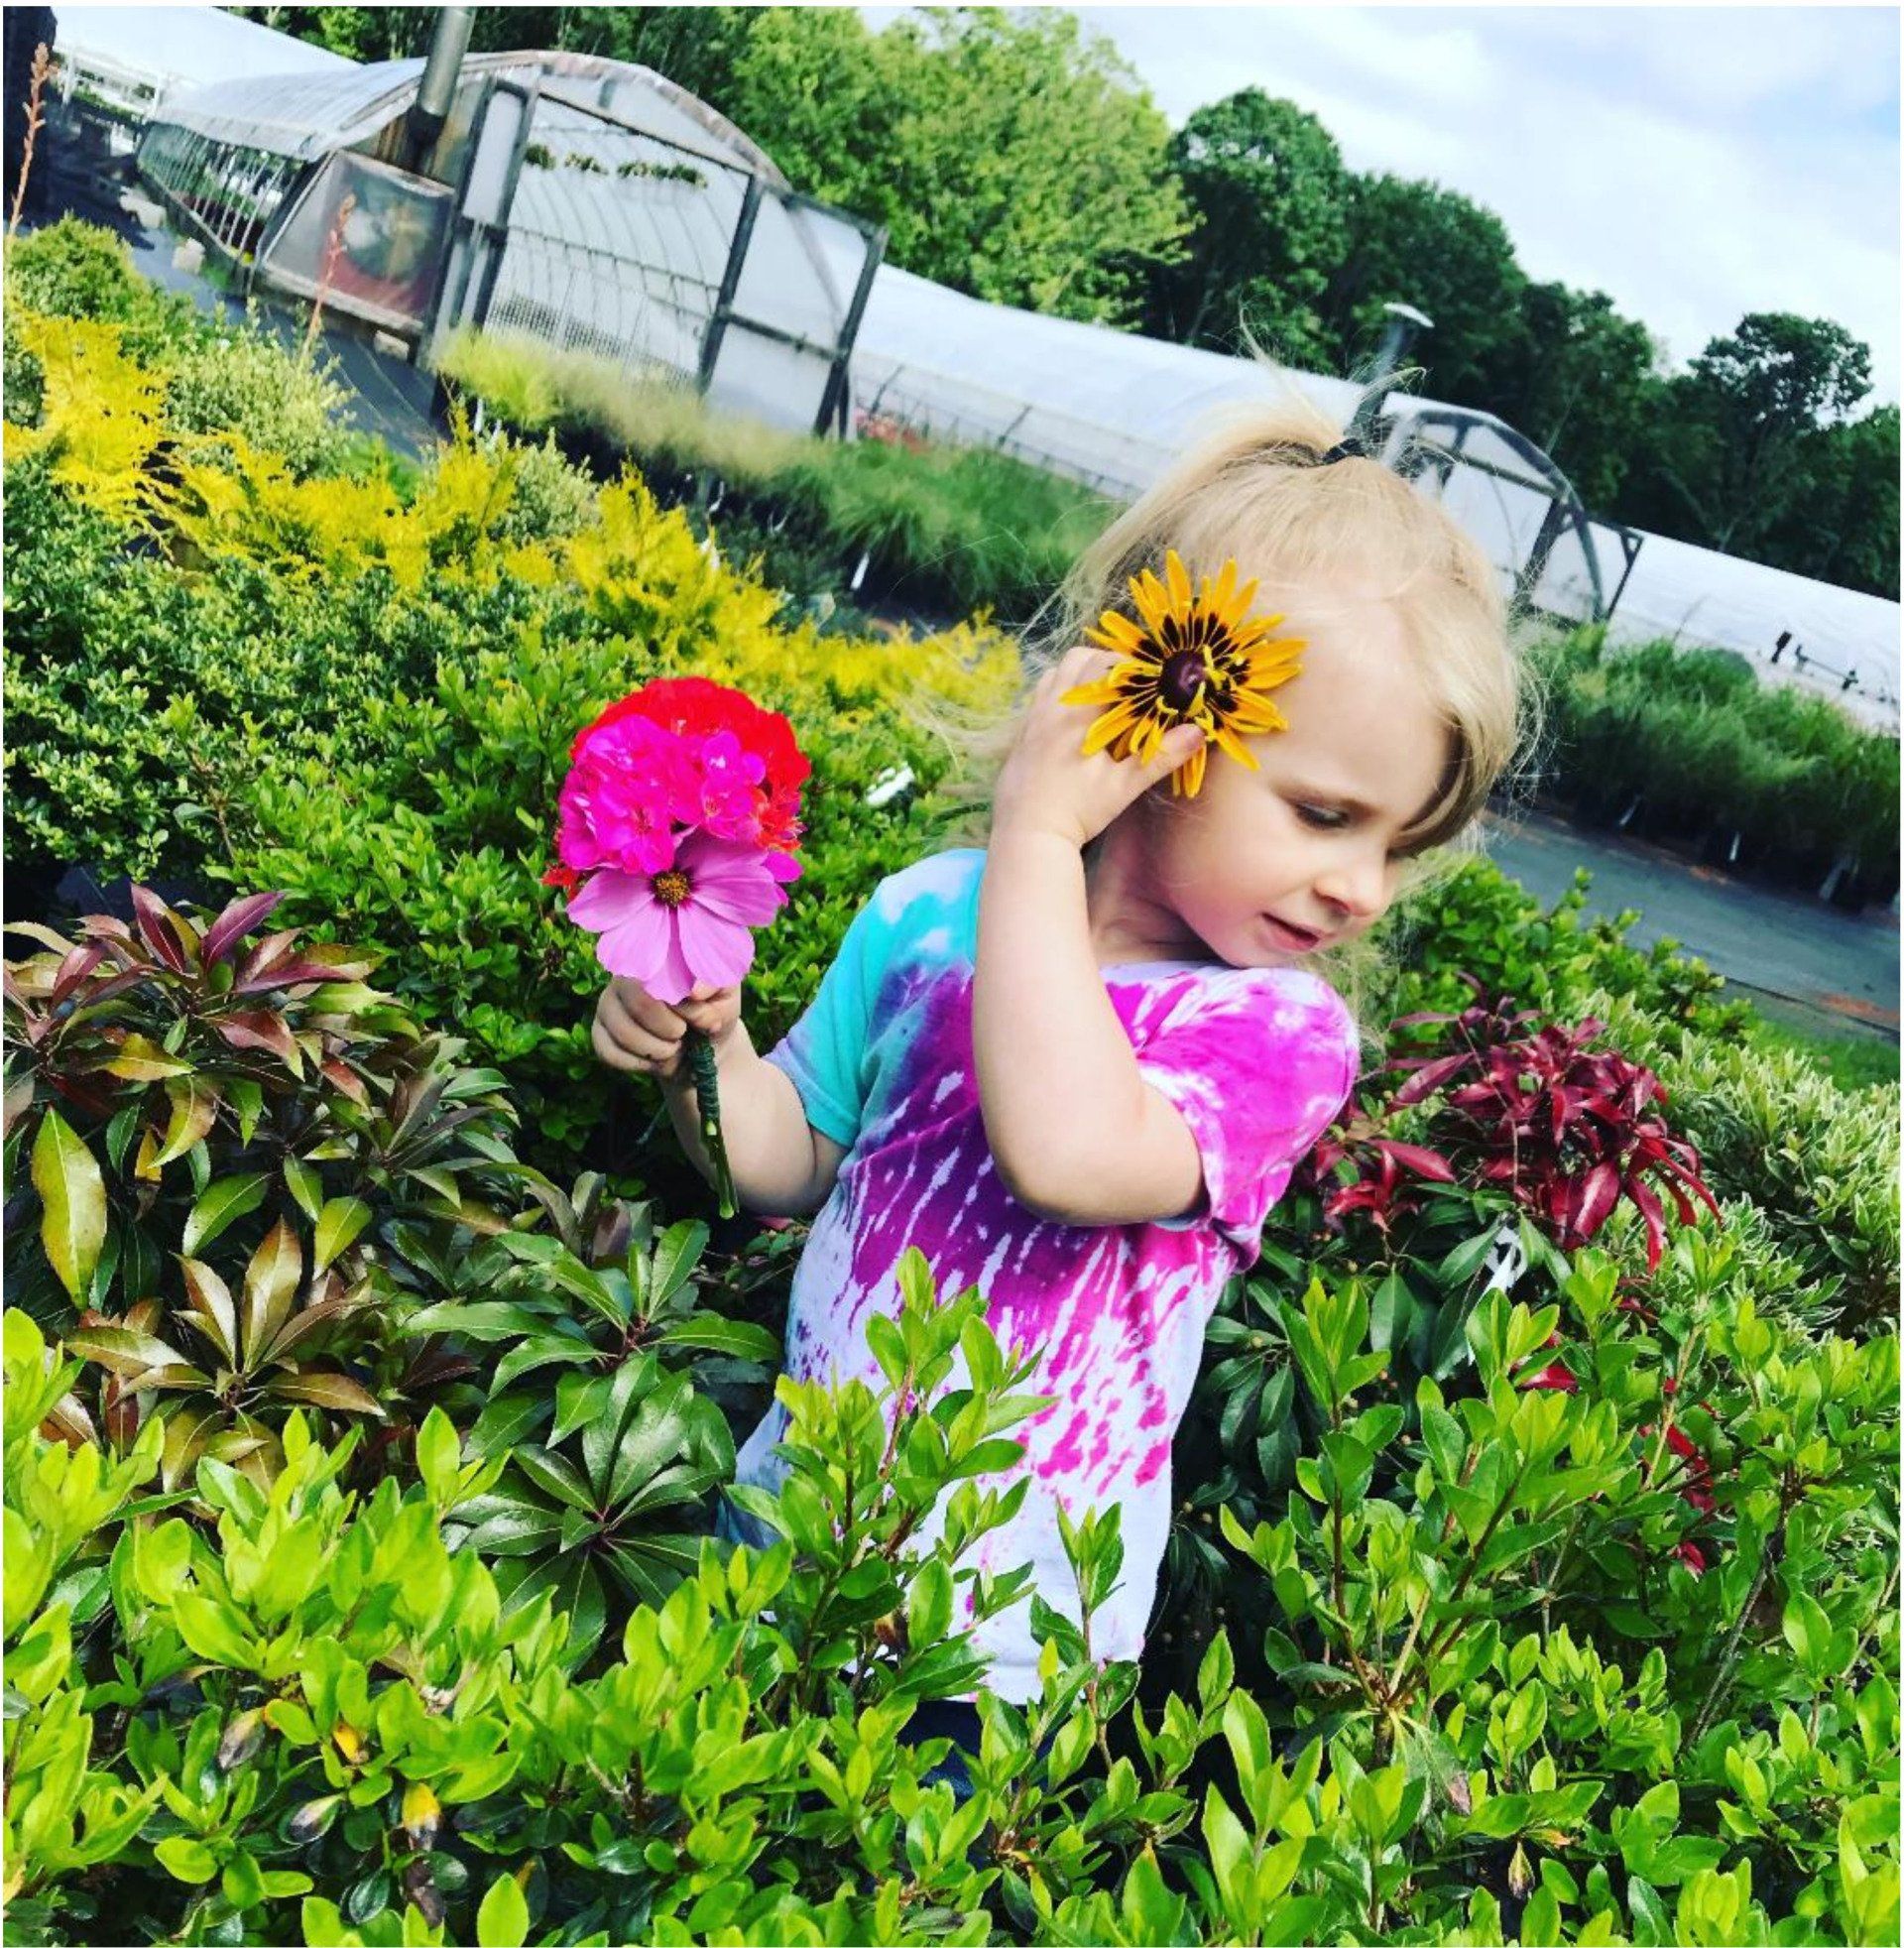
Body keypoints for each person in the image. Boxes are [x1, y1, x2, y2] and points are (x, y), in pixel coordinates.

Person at [590, 391, 1531, 1780]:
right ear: (1154, 727)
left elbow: (1070, 1150)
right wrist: (706, 1051)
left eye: (1401, 842)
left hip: (1005, 1654)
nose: (1362, 888)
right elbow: (785, 1168)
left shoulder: (1276, 1035)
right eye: (1328, 815)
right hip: (783, 1537)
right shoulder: (927, 918)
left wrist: (1038, 829)